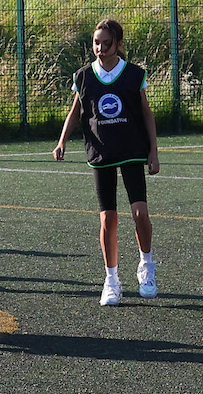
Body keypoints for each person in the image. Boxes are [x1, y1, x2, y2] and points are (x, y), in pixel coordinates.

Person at [54, 18, 159, 305]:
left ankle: (146, 265)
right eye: (96, 43)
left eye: (107, 43)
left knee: (139, 212)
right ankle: (111, 279)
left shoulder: (134, 75)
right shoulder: (84, 76)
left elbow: (147, 114)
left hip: (132, 149)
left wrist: (154, 150)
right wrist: (62, 140)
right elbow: (76, 111)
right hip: (101, 151)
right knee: (108, 218)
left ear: (119, 44)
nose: (100, 48)